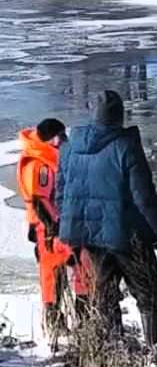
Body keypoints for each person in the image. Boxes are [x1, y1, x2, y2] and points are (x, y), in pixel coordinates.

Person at [57, 90, 157, 346]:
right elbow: (144, 196)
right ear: (119, 115)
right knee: (149, 293)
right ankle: (156, 348)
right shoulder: (125, 146)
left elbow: (61, 193)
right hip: (126, 235)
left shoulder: (69, 148)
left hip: (91, 235)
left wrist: (68, 227)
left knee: (105, 293)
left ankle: (113, 349)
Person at [17, 119, 90, 346]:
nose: (65, 140)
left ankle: (82, 319)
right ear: (53, 138)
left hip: (59, 225)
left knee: (80, 268)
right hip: (49, 229)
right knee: (55, 277)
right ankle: (57, 324)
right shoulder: (39, 164)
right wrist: (52, 229)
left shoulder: (45, 157)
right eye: (62, 136)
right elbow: (39, 201)